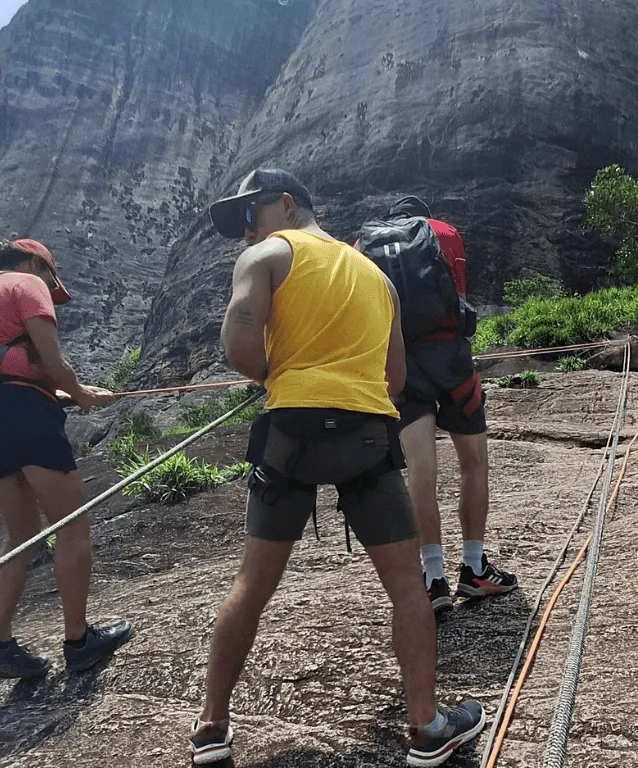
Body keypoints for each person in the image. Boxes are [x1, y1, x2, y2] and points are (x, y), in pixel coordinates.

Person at [189, 170, 486, 767]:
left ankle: (212, 728)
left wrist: (284, 376)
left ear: (286, 204)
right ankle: (426, 726)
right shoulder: (378, 278)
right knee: (406, 586)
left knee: (252, 584)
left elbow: (240, 348)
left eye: (249, 214)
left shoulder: (266, 257)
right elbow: (395, 379)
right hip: (366, 437)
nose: (245, 231)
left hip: (289, 435)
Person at [0, 238, 134, 679]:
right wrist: (80, 393)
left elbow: (3, 367)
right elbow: (52, 361)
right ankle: (79, 642)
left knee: (19, 535)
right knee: (71, 525)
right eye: (50, 282)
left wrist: (61, 393)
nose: (50, 292)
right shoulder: (25, 283)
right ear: (36, 262)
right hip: (22, 414)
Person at [382, 196, 517, 613]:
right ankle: (474, 569)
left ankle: (433, 578)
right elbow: (458, 298)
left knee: (421, 473)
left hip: (403, 365)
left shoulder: (363, 246)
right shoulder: (446, 233)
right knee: (473, 464)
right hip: (452, 363)